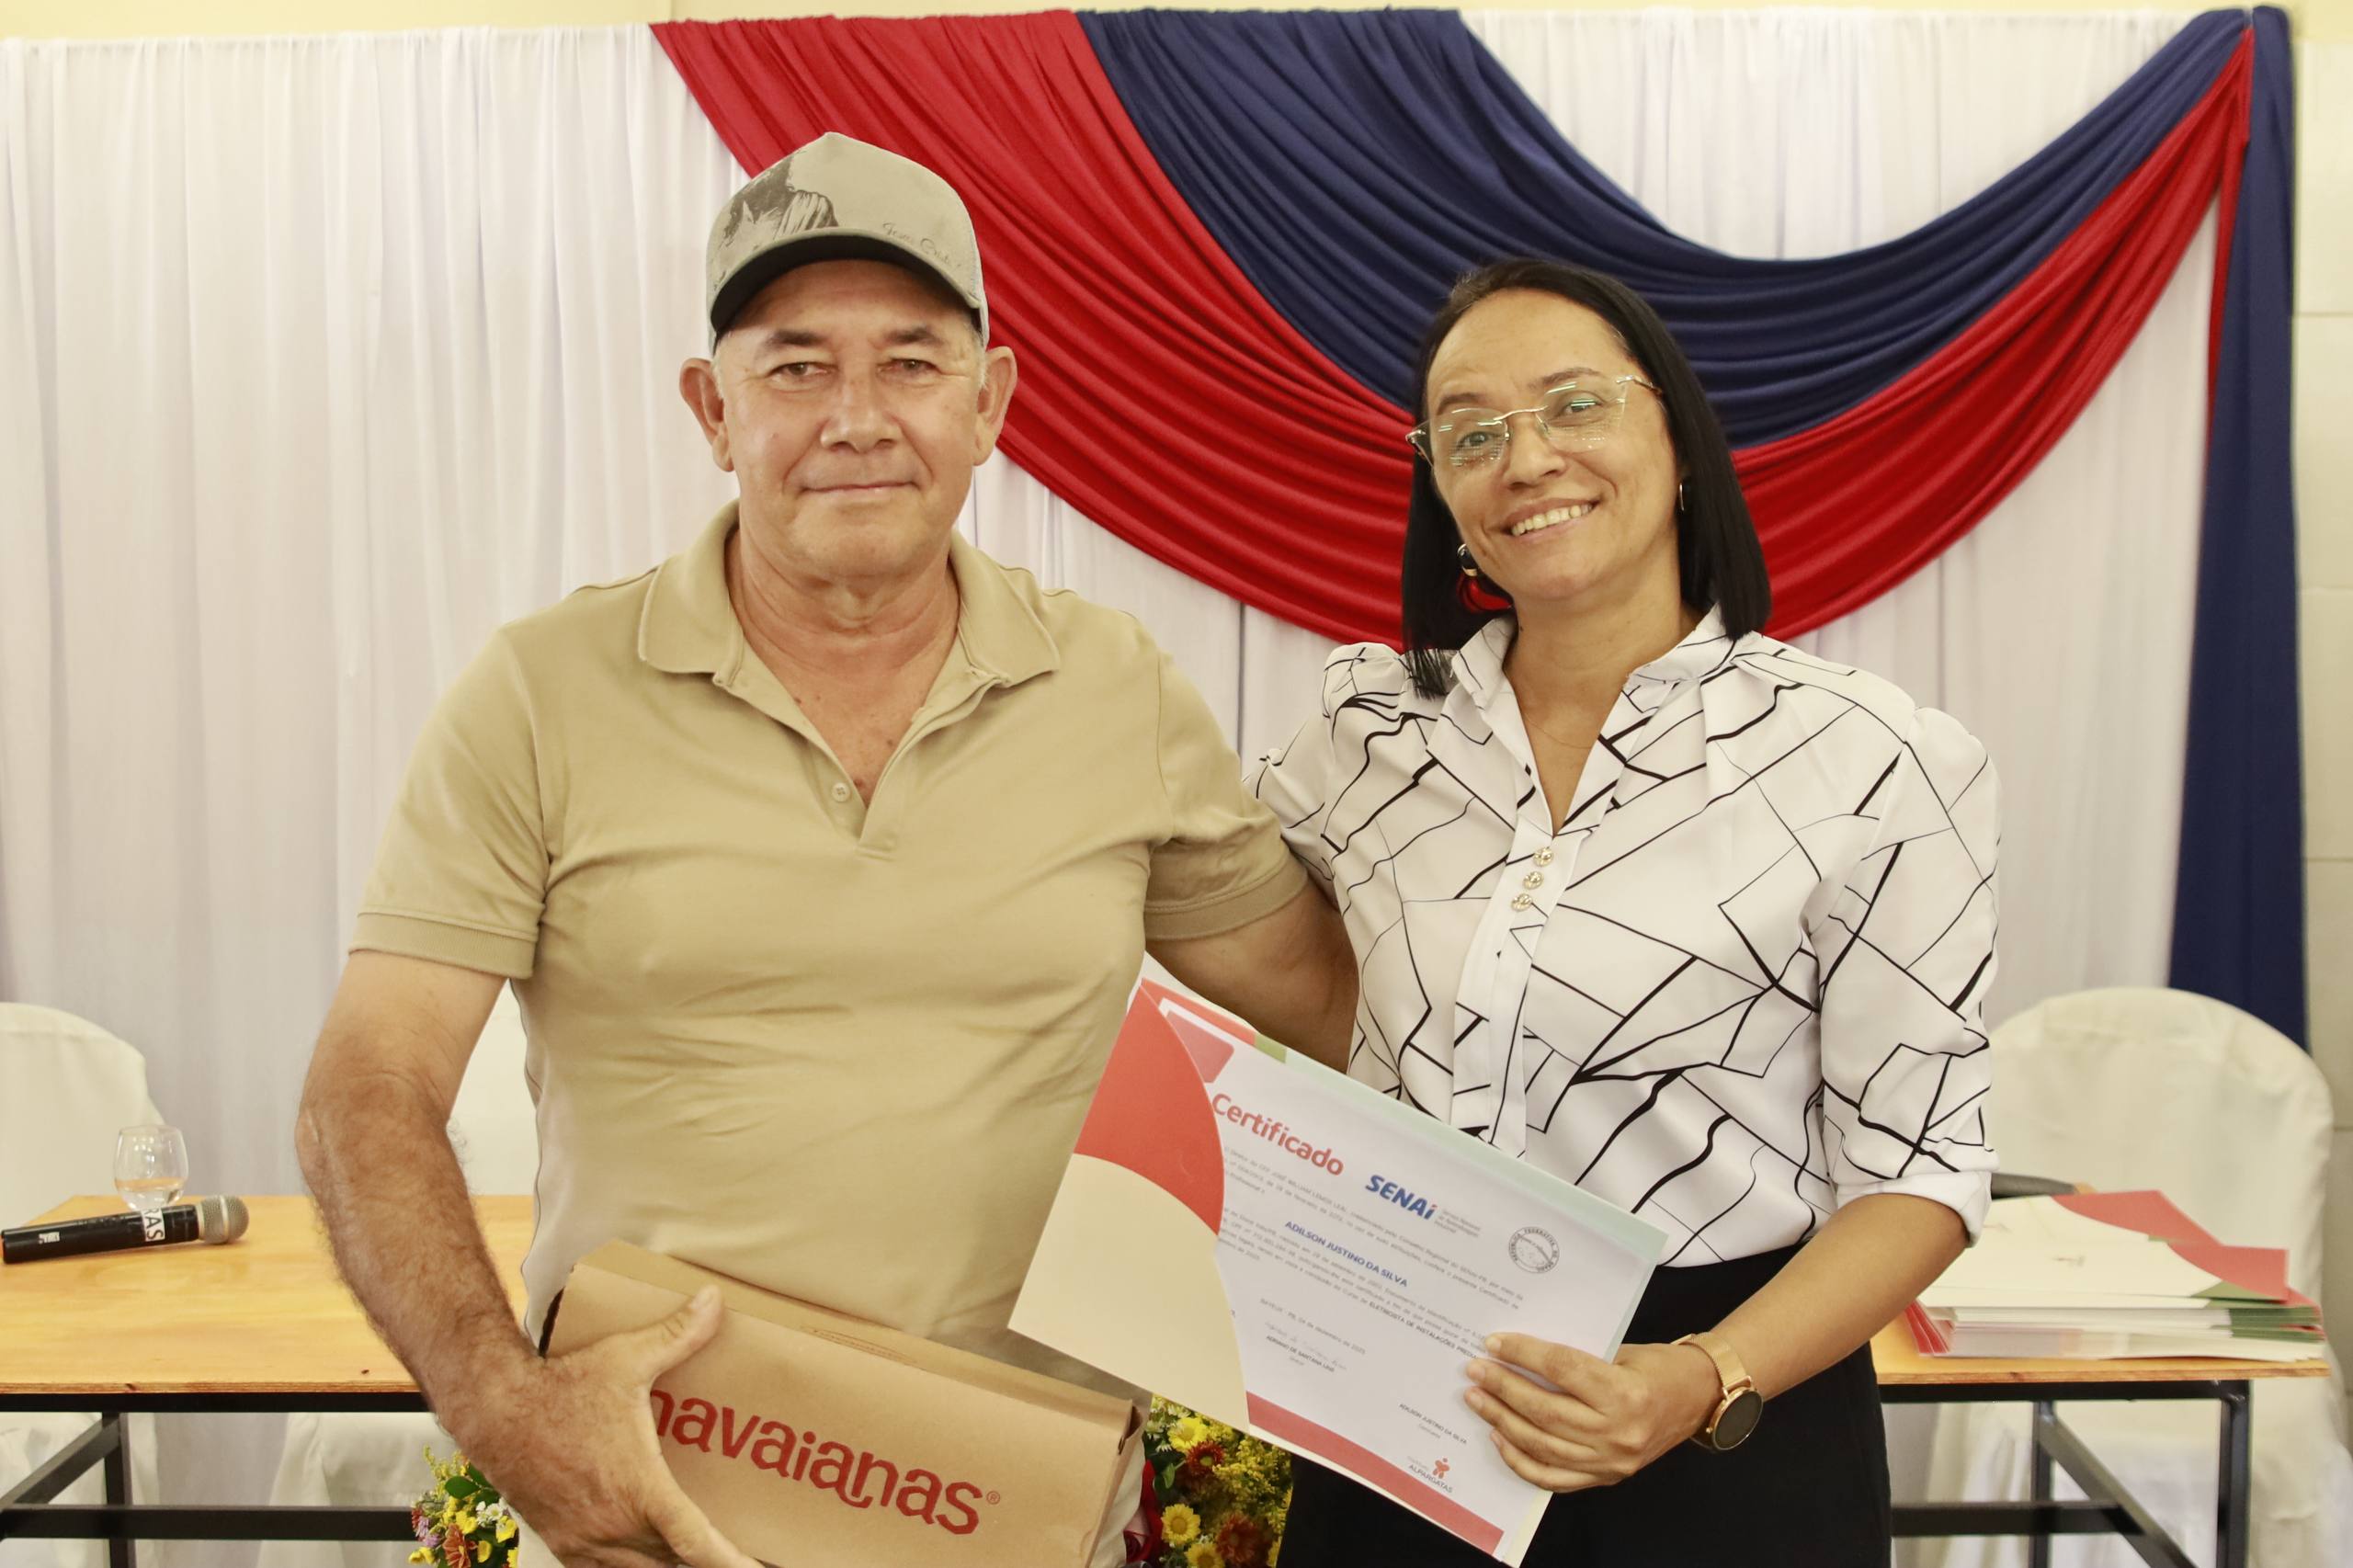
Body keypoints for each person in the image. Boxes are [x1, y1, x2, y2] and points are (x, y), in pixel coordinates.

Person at [293, 131, 1353, 1568]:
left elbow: (1336, 1008)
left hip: (1021, 1507)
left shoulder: (1120, 689)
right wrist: (508, 1407)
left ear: (991, 402)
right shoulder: (538, 693)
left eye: (911, 362)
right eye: (795, 367)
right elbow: (368, 1087)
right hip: (657, 1506)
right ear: (711, 408)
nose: (856, 417)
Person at [1251, 257, 2000, 1567]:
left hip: (1725, 1421)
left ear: (1681, 441)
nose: (1527, 458)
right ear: (1442, 493)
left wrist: (1699, 1378)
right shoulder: (1364, 732)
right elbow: (1238, 936)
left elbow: (1923, 1172)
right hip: (1401, 1392)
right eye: (1471, 433)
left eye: (1575, 405)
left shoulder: (1870, 758)